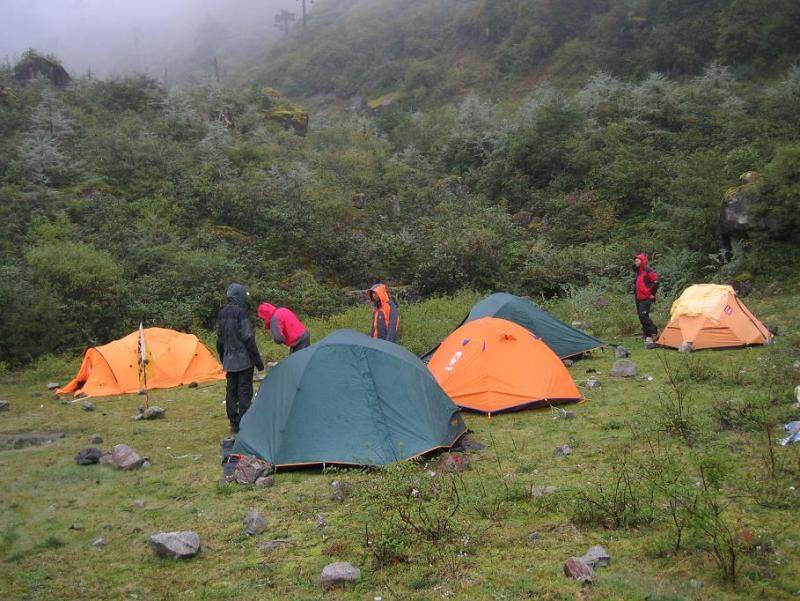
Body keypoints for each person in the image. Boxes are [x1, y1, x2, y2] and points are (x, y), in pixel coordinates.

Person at [216, 283, 264, 434]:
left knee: (231, 391)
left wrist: (223, 358)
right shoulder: (241, 313)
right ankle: (244, 424)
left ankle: (233, 423)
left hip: (229, 361)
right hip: (244, 361)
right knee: (244, 392)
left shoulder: (222, 313)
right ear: (239, 295)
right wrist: (258, 362)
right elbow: (248, 337)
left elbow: (219, 340)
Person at [632, 253, 660, 347]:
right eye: (635, 261)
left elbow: (656, 282)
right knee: (641, 317)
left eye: (637, 261)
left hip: (646, 298)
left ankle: (654, 331)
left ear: (642, 261)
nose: (635, 262)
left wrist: (652, 294)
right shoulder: (637, 272)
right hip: (638, 298)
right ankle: (647, 335)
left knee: (643, 316)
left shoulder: (648, 270)